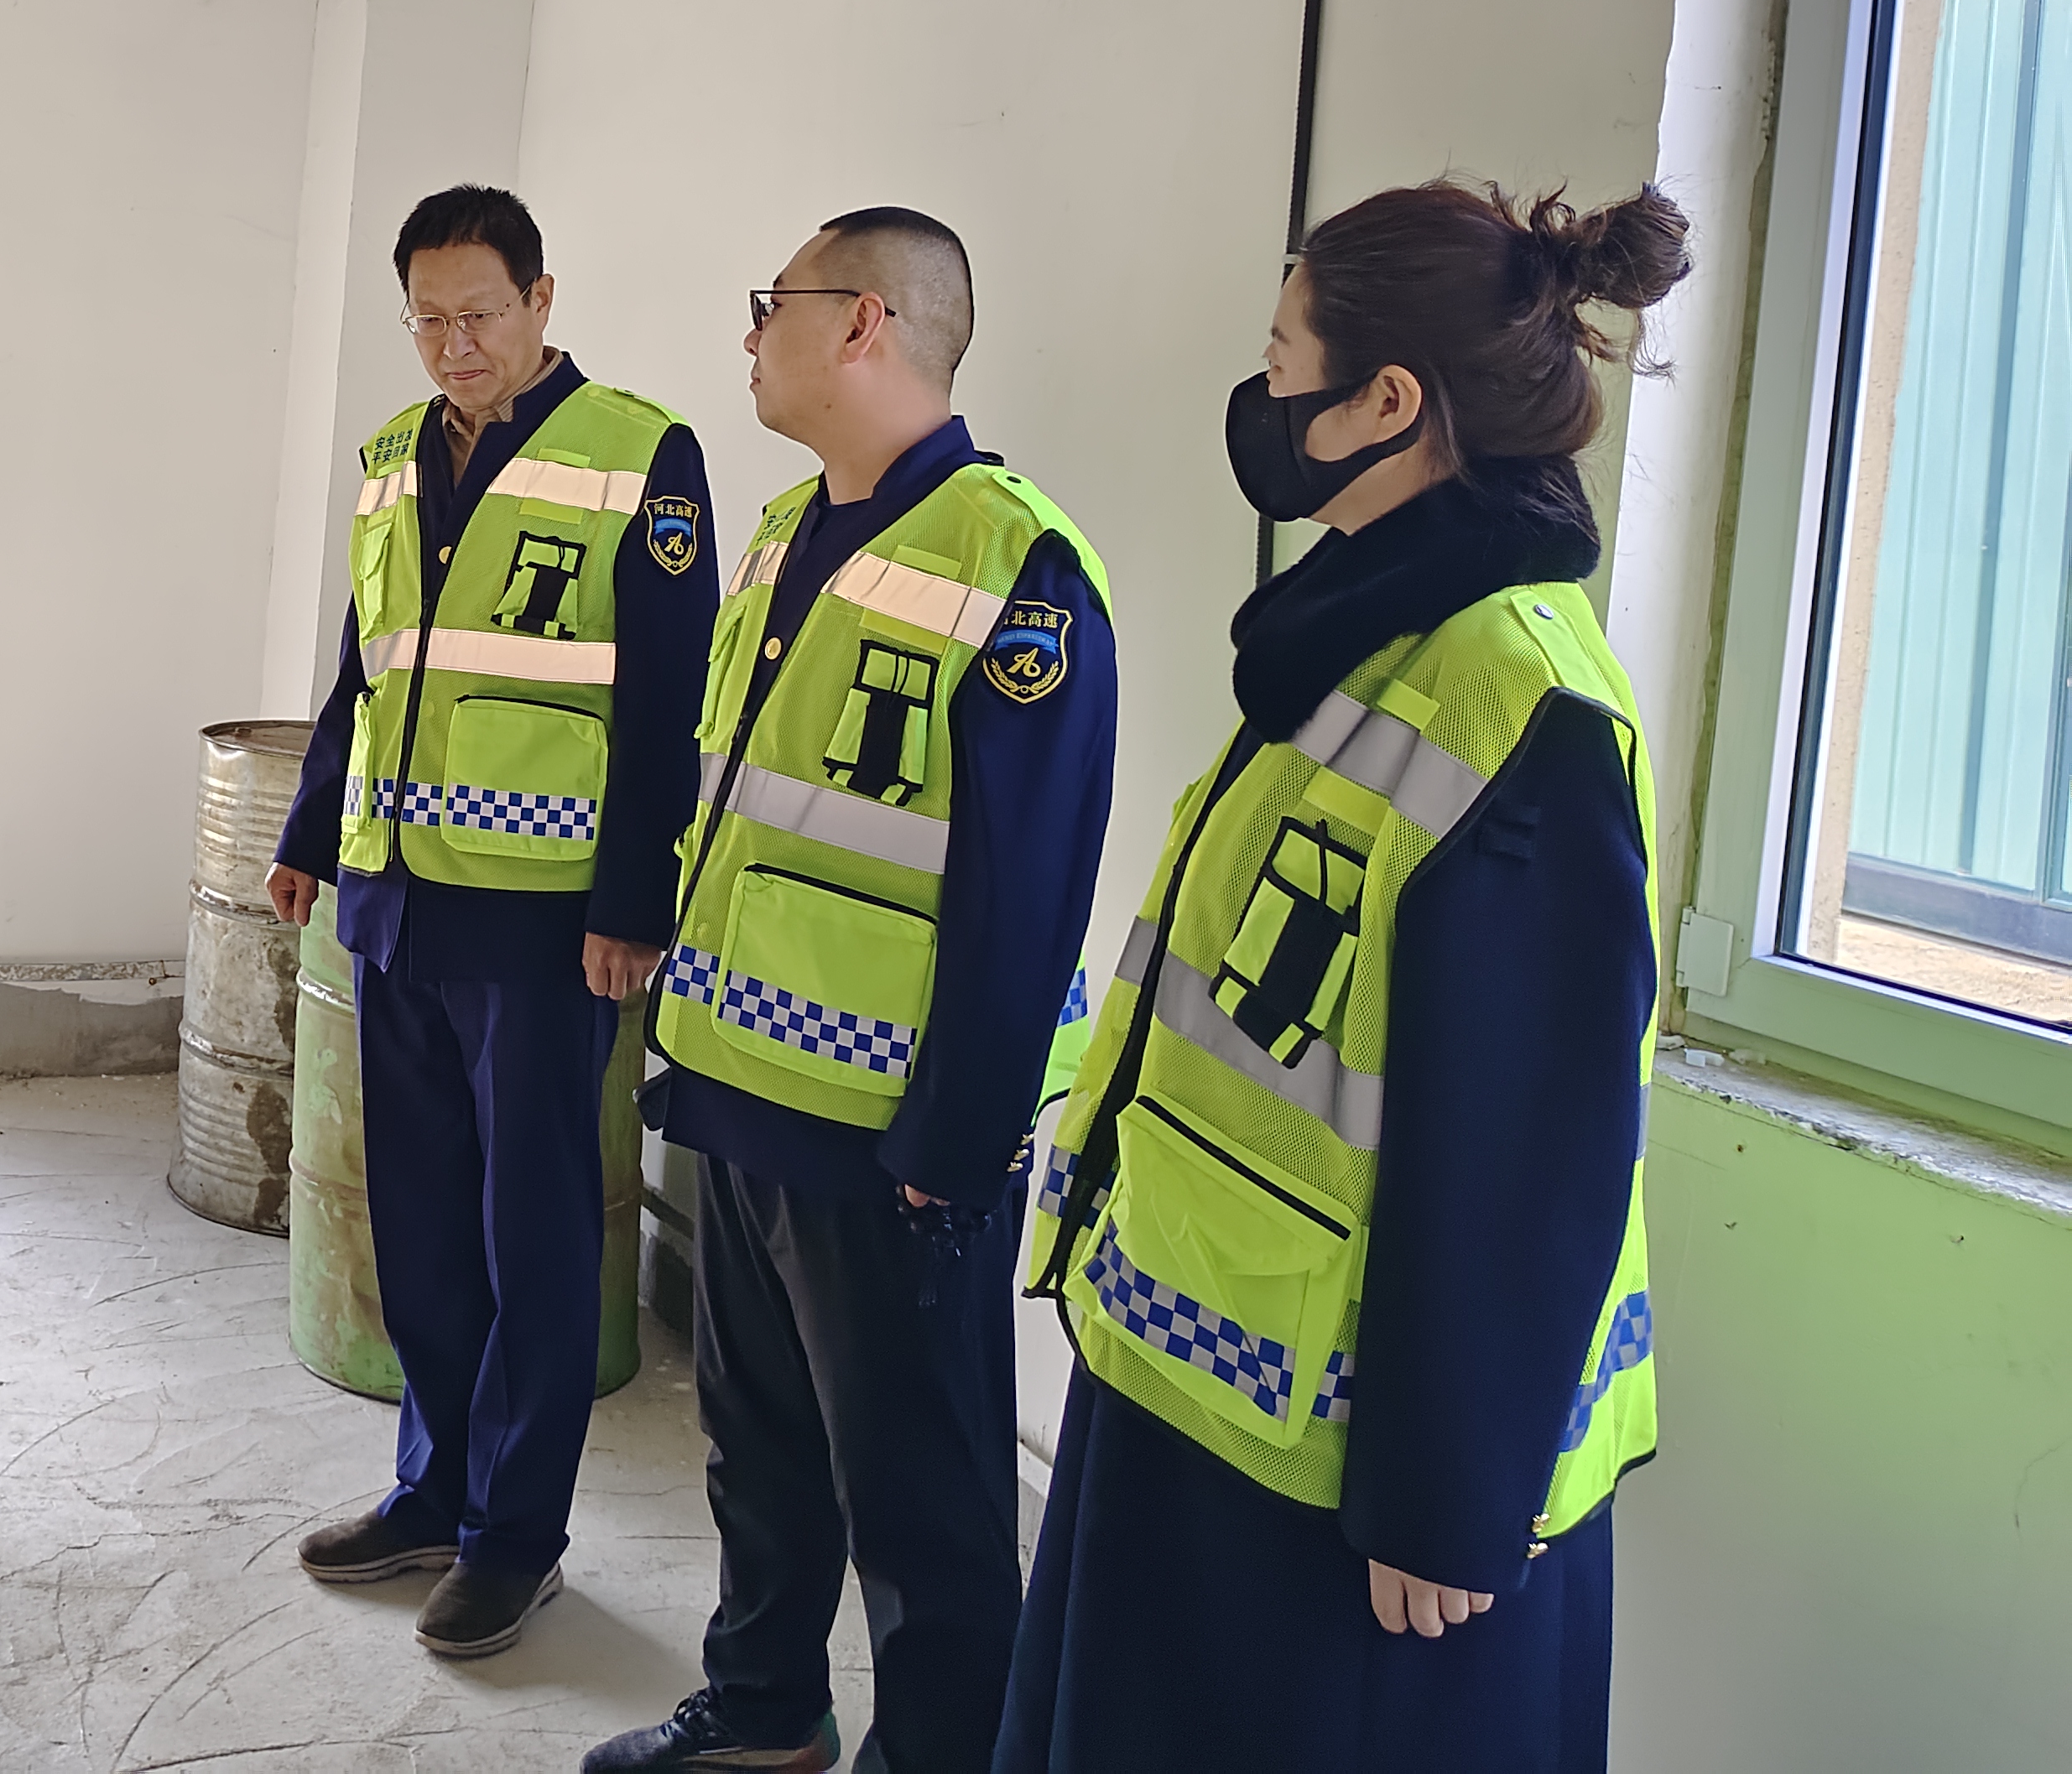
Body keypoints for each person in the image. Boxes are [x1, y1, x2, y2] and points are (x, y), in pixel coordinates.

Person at [997, 181, 1688, 1774]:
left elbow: (1533, 1151)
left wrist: (1446, 1503)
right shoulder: (1363, 640)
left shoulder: (1522, 706)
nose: (1259, 396)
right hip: (1201, 1369)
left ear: (1387, 402)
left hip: (1349, 1480)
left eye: (1279, 358)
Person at [591, 209, 1119, 1774]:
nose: (753, 331)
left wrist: (954, 1147)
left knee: (922, 1503)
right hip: (743, 1086)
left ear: (866, 322)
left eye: (777, 302)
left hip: (892, 1142)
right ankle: (765, 1713)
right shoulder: (780, 535)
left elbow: (1029, 893)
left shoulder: (1018, 566)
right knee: (757, 1448)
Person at [269, 185, 717, 1659]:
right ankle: (433, 1491)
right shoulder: (390, 460)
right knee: (416, 1220)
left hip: (542, 924)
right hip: (395, 901)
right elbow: (367, 666)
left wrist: (634, 900)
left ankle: (516, 1536)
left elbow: (667, 698)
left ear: (540, 301)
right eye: (428, 319)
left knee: (530, 1234)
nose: (454, 345)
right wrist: (310, 833)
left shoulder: (640, 456)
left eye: (480, 314)